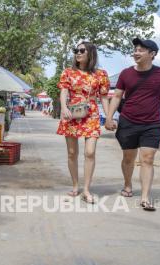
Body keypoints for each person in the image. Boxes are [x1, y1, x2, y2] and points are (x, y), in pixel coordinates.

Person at [105, 38, 160, 211]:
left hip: (152, 124)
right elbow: (117, 97)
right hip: (128, 121)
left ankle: (145, 197)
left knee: (147, 159)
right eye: (135, 49)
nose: (136, 52)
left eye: (141, 50)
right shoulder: (126, 73)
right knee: (128, 158)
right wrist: (109, 117)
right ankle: (128, 185)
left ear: (152, 54)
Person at [57, 41, 110, 204]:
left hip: (91, 113)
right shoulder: (68, 72)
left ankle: (86, 189)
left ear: (90, 53)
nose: (78, 53)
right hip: (72, 113)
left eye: (82, 50)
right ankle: (75, 185)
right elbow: (64, 91)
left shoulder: (100, 74)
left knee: (90, 152)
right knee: (72, 153)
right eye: (76, 50)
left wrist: (108, 117)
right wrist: (64, 107)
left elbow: (103, 97)